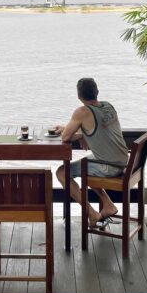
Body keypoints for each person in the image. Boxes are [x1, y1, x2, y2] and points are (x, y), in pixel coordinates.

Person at [54, 77, 128, 228]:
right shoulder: (108, 106)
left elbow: (66, 136)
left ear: (79, 96)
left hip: (108, 166)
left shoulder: (82, 112)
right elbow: (96, 127)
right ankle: (108, 205)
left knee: (62, 173)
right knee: (86, 164)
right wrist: (82, 133)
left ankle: (92, 214)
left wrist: (77, 131)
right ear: (97, 92)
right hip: (123, 162)